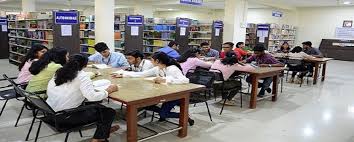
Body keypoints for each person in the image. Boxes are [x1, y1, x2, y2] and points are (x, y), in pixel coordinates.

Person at [46, 54, 119, 142]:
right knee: (109, 112)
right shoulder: (82, 76)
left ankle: (104, 130)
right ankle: (98, 139)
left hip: (50, 113)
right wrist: (108, 90)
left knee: (98, 106)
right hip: (65, 118)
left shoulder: (60, 71)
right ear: (85, 65)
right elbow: (92, 97)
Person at [112, 52, 194, 126]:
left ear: (157, 61)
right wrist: (123, 74)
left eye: (152, 60)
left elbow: (185, 80)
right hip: (164, 93)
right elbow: (142, 74)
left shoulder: (172, 68)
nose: (151, 62)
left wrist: (165, 80)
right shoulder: (157, 68)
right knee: (146, 105)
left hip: (176, 94)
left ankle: (184, 116)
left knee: (163, 114)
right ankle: (163, 112)